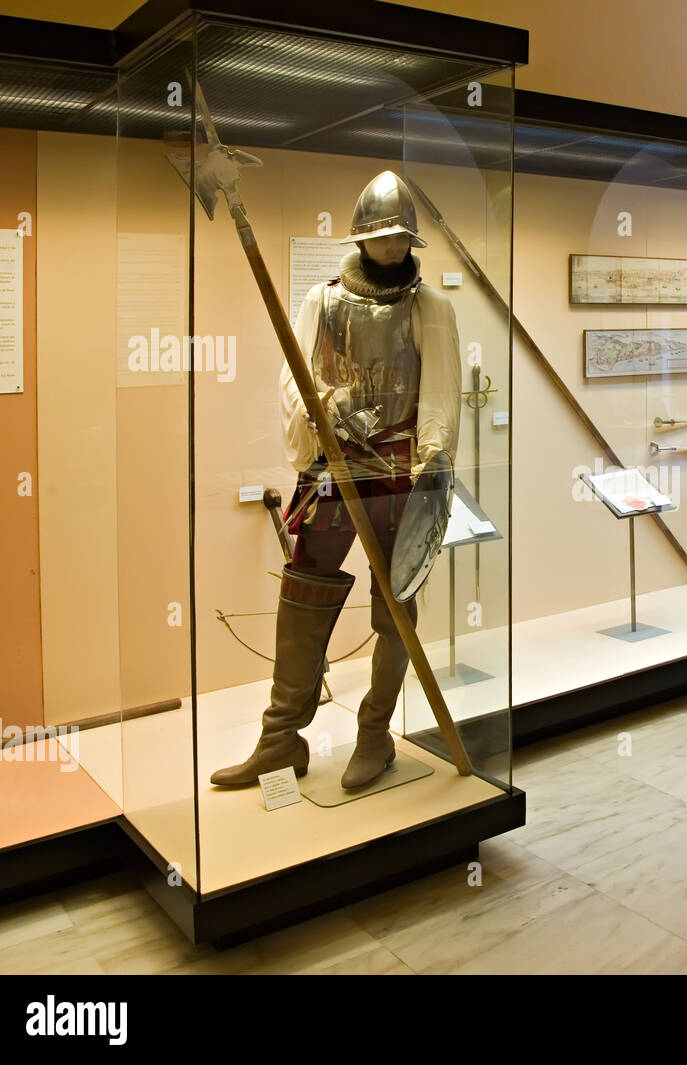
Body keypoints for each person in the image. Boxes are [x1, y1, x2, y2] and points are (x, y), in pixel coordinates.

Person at [211, 171, 462, 790]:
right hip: (332, 472)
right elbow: (295, 376)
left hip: (397, 476)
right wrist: (324, 403)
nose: (392, 249)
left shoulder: (431, 306)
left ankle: (375, 735)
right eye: (381, 238)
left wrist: (432, 460)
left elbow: (442, 393)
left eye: (402, 239)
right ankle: (280, 739)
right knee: (305, 593)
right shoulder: (322, 302)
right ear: (360, 239)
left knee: (394, 606)